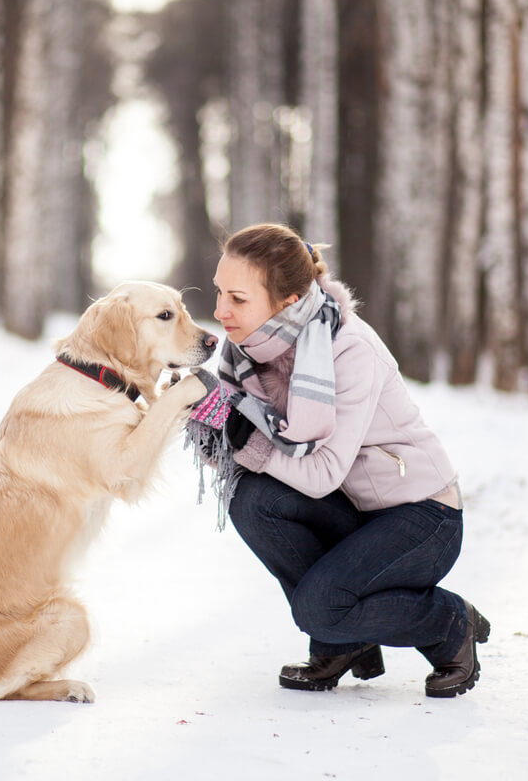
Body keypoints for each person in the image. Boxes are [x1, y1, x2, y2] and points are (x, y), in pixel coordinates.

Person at [185, 223, 488, 698]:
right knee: (252, 500)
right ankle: (343, 642)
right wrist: (207, 421)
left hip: (422, 516)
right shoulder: (246, 353)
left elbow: (320, 471)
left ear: (286, 300)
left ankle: (449, 622)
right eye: (220, 292)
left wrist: (243, 435)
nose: (221, 311)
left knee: (319, 608)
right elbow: (242, 450)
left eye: (238, 299)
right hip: (354, 509)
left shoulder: (348, 348)